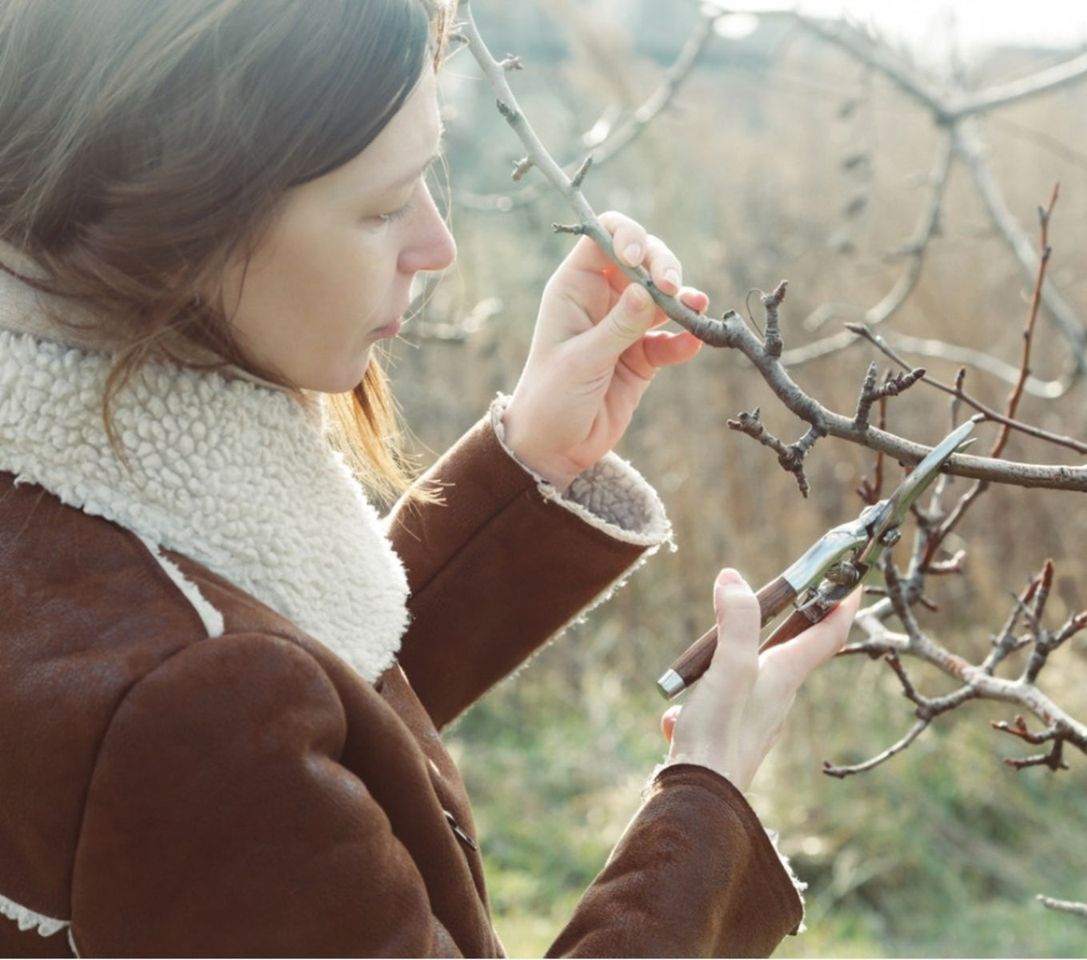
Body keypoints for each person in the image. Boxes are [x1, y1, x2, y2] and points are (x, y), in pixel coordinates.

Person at [0, 1, 861, 955]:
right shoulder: (189, 701)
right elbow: (231, 732)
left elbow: (301, 741)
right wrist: (710, 800)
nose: (437, 244)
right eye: (381, 205)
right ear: (181, 211)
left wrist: (534, 460)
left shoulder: (72, 510)